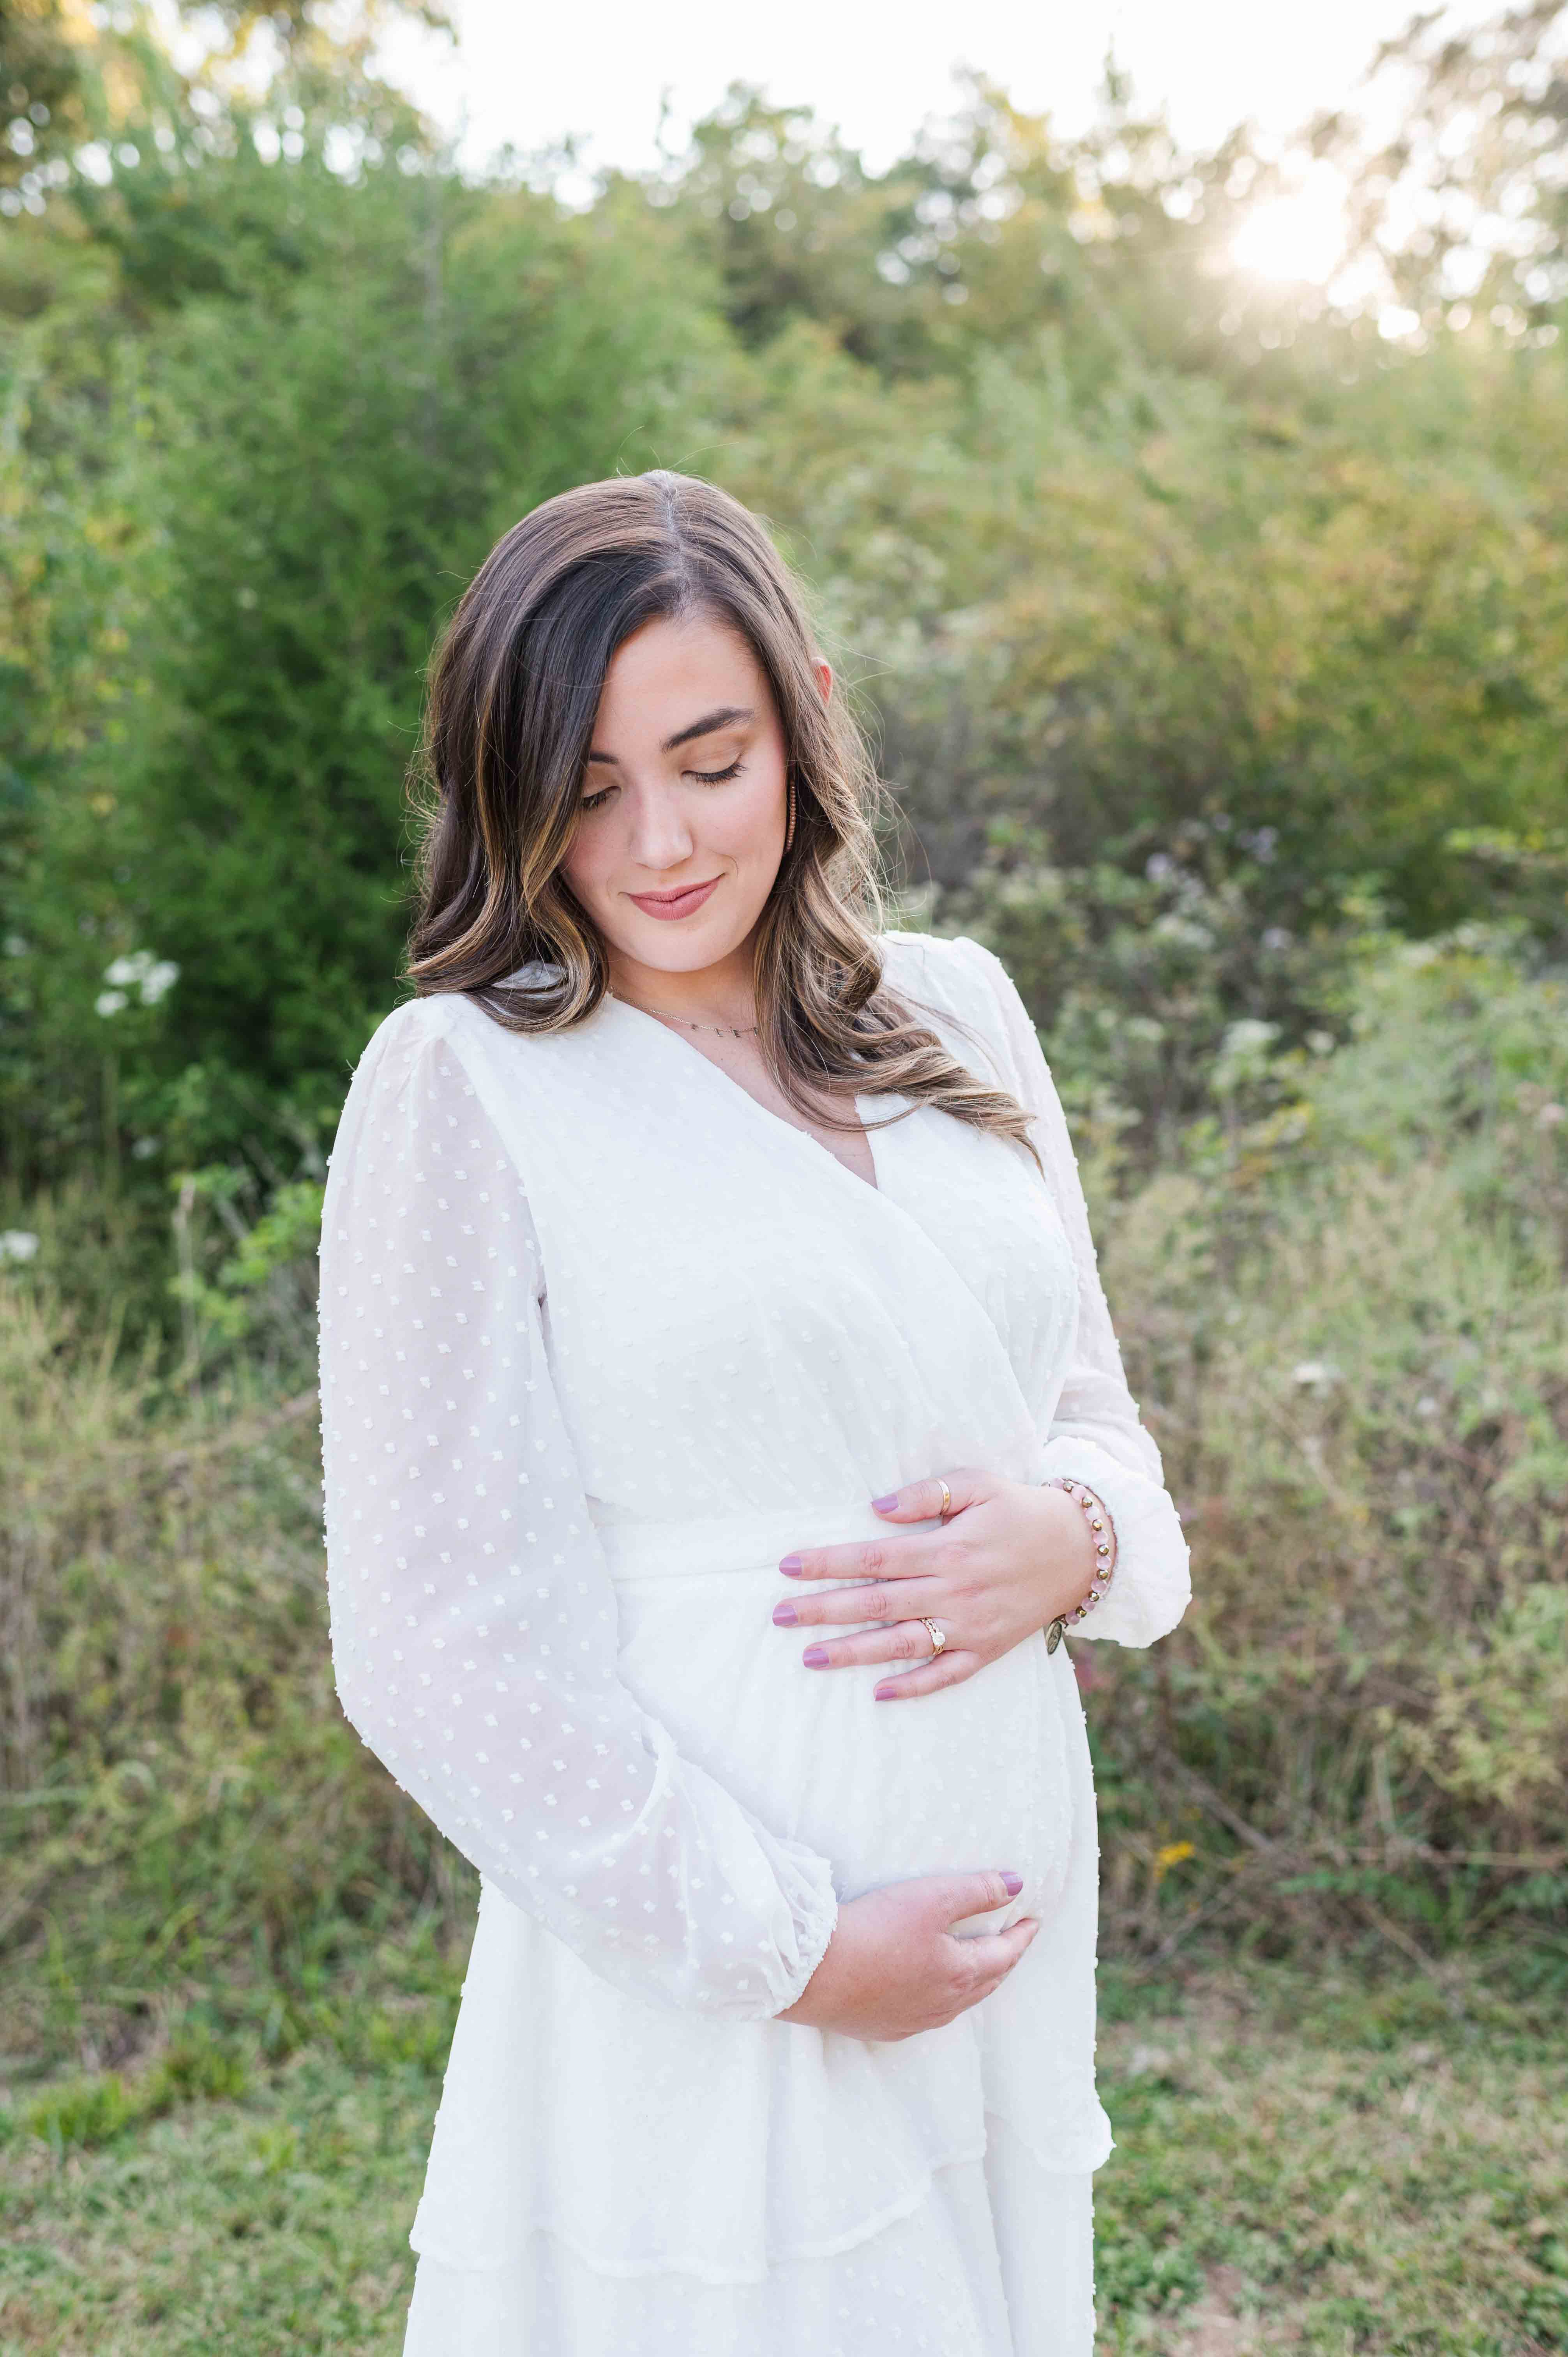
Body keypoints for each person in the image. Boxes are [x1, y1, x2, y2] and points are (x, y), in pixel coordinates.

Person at [317, 469, 1191, 2357]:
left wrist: (1080, 1538)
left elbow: (1095, 1423)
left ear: (797, 711)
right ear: (508, 793)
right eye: (585, 785)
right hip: (712, 1961)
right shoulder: (468, 1082)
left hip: (1002, 1949)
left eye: (708, 759)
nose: (654, 843)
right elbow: (431, 1640)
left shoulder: (959, 1013)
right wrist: (787, 1950)